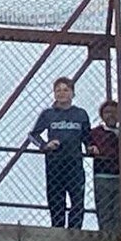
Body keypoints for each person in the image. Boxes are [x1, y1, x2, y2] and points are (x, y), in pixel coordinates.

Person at [29, 78, 92, 230]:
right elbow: (33, 135)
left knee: (77, 200)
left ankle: (75, 235)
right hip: (54, 163)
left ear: (72, 93)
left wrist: (90, 147)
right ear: (54, 94)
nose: (62, 93)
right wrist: (45, 145)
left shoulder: (80, 114)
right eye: (58, 90)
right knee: (56, 201)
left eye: (66, 90)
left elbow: (87, 137)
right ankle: (58, 234)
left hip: (74, 163)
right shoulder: (48, 114)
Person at [87, 100, 121, 239]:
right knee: (104, 213)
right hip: (102, 176)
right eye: (107, 112)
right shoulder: (95, 133)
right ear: (101, 115)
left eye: (114, 112)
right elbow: (93, 149)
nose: (111, 115)